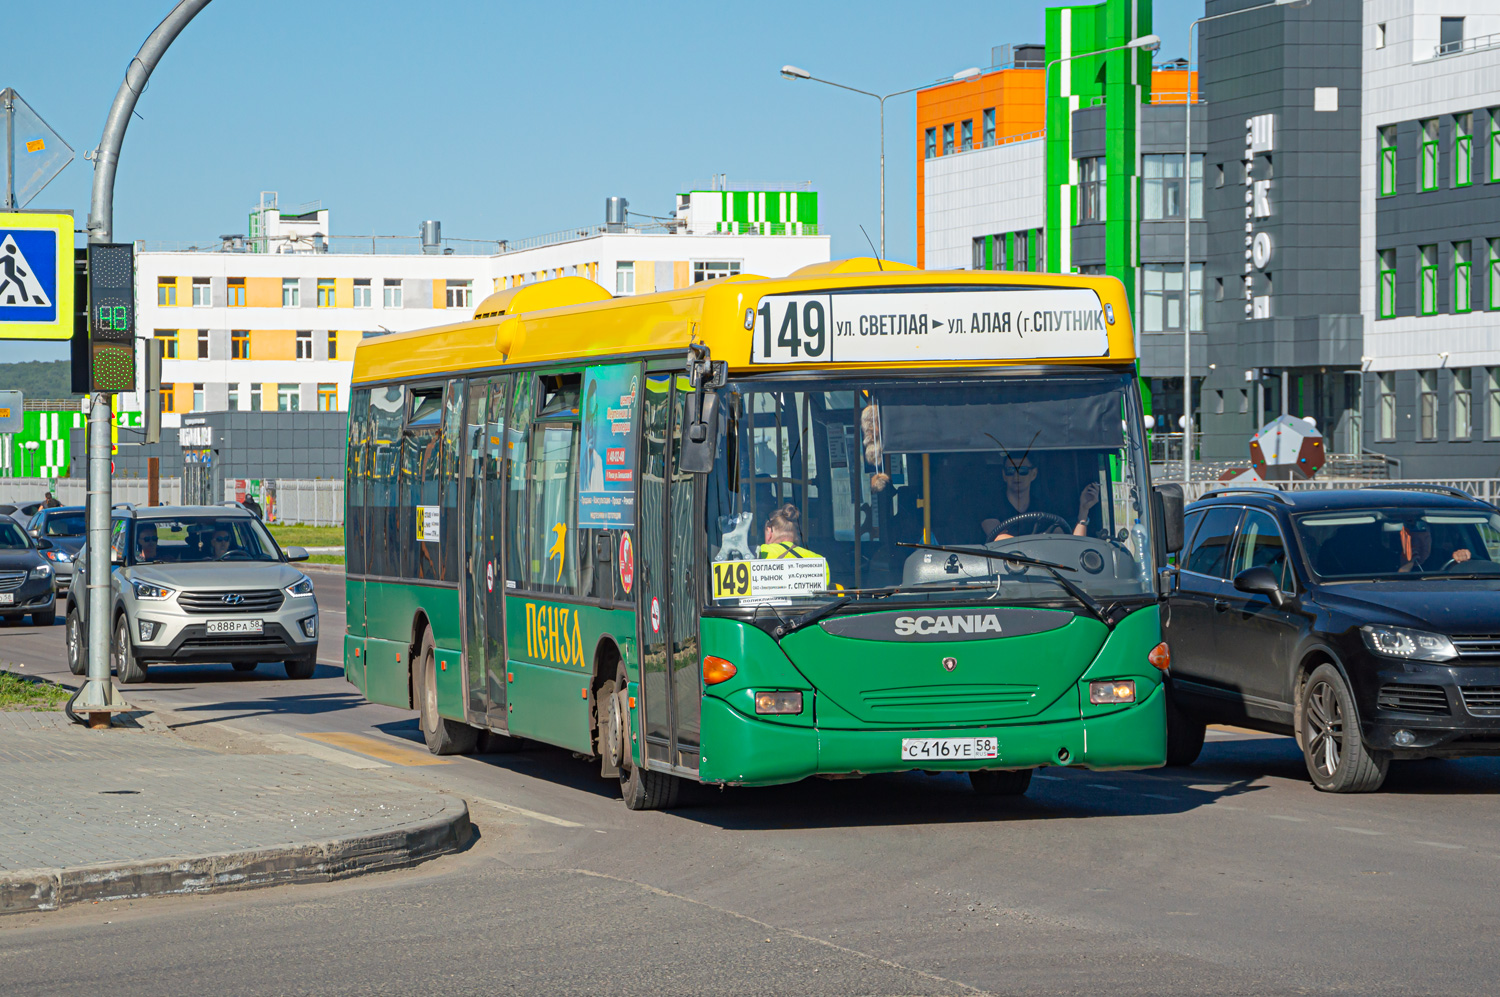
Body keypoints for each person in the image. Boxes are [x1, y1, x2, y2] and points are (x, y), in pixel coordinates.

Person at [981, 458, 1100, 541]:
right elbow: (998, 539)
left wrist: (1083, 511)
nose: (1016, 476)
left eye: (1023, 471)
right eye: (1011, 471)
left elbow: (1072, 546)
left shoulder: (1045, 508)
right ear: (1004, 475)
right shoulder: (990, 507)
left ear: (1034, 474)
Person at [1397, 519, 1470, 573]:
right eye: (1416, 540)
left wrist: (1460, 559)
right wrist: (1405, 568)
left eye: (1426, 539)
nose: (1423, 545)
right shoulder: (1389, 561)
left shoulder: (1445, 557)